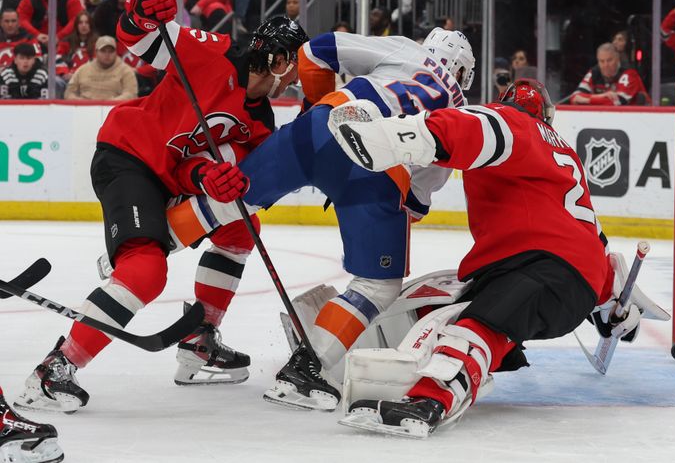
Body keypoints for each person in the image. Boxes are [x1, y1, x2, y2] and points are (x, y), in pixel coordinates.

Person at [13, 0, 308, 414]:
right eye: (299, 64)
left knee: (242, 226)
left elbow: (207, 170)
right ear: (280, 59)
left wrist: (215, 180)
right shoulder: (214, 53)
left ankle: (198, 342)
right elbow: (141, 36)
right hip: (130, 155)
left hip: (171, 178)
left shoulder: (260, 122)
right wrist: (142, 9)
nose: (302, 76)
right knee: (147, 271)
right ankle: (53, 371)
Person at [156, 27, 475, 411]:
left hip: (322, 125)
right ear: (462, 74)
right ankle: (304, 370)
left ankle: (147, 245)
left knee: (234, 198)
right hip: (376, 171)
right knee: (377, 286)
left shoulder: (405, 50)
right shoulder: (459, 112)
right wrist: (379, 214)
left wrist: (320, 109)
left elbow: (313, 52)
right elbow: (418, 200)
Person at [328, 80, 640, 438]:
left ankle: (429, 400)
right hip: (570, 278)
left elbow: (469, 128)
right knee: (449, 303)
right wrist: (610, 308)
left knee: (478, 326)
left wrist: (386, 136)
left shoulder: (512, 121)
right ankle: (381, 360)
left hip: (541, 263)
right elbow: (592, 243)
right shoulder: (566, 154)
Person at [569, 42, 649, 105]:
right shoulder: (594, 72)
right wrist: (601, 96)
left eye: (609, 60)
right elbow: (574, 97)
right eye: (602, 61)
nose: (605, 65)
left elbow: (617, 102)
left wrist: (586, 99)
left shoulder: (630, 73)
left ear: (617, 59)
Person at [65, 35, 138, 100]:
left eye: (110, 51)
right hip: (84, 111)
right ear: (96, 52)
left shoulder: (126, 71)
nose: (107, 54)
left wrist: (108, 103)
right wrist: (83, 103)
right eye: (103, 51)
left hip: (113, 110)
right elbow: (69, 93)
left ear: (116, 52)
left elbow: (131, 94)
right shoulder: (82, 70)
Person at [55, 10, 97, 82]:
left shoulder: (97, 43)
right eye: (80, 23)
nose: (84, 25)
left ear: (91, 25)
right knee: (56, 81)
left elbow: (98, 63)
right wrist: (65, 73)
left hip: (89, 80)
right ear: (76, 25)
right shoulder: (66, 42)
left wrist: (79, 76)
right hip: (68, 78)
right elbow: (58, 59)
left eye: (87, 22)